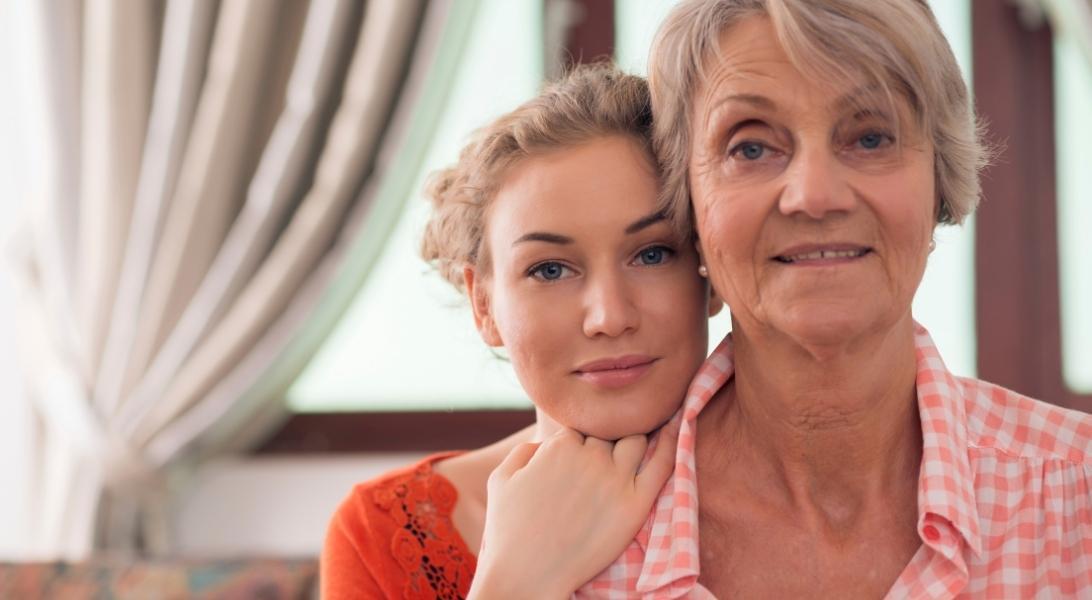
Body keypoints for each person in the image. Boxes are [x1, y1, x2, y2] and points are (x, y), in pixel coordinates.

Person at [583, 0, 1089, 597]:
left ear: (940, 188)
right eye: (750, 147)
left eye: (871, 137)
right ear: (687, 211)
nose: (815, 195)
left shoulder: (1077, 492)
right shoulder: (573, 541)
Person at [320, 64, 720, 599]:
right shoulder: (384, 534)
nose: (609, 316)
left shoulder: (807, 501)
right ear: (483, 306)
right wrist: (518, 582)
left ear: (711, 270)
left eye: (651, 254)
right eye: (550, 270)